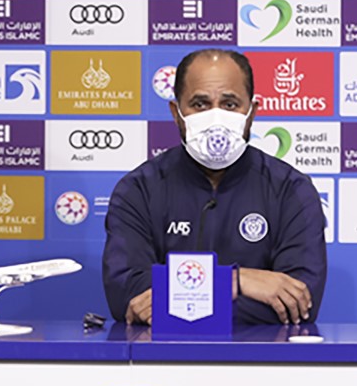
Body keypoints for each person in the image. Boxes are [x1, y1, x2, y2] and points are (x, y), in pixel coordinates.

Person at [103, 48, 327, 325]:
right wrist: (235, 281)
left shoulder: (291, 191)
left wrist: (173, 301)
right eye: (200, 104)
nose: (216, 118)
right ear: (176, 112)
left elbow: (299, 303)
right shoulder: (138, 190)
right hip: (161, 362)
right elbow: (127, 295)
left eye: (230, 104)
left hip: (265, 362)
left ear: (252, 112)